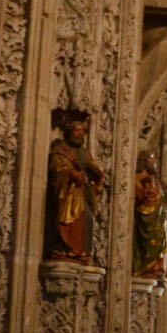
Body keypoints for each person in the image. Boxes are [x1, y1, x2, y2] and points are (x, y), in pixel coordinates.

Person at [46, 111, 105, 263]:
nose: (80, 134)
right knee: (75, 218)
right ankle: (63, 249)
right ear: (69, 132)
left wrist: (97, 175)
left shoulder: (84, 152)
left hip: (84, 191)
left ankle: (81, 252)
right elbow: (56, 167)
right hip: (69, 192)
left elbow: (89, 169)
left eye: (83, 131)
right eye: (77, 131)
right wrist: (70, 174)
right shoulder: (61, 149)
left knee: (89, 219)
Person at [132, 148, 167, 278]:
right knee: (154, 239)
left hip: (159, 217)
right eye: (151, 158)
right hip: (147, 216)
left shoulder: (155, 180)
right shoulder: (139, 178)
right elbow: (139, 197)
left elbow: (161, 199)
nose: (154, 161)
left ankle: (157, 266)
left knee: (162, 239)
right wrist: (148, 197)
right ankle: (147, 267)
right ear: (144, 161)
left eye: (154, 159)